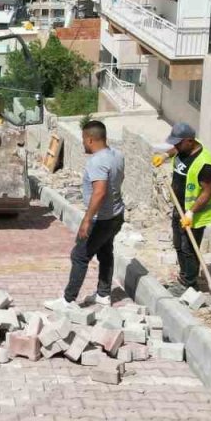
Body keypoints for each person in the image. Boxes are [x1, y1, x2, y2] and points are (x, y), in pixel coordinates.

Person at [152, 122, 211, 296]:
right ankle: (183, 278)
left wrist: (191, 213)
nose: (175, 146)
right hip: (179, 206)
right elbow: (176, 150)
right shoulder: (183, 148)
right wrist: (165, 156)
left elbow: (207, 192)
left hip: (194, 213)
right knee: (178, 244)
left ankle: (190, 284)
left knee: (189, 248)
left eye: (178, 143)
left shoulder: (205, 163)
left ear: (189, 141)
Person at [63, 120, 125, 306]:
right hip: (116, 214)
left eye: (83, 139)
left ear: (90, 139)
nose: (83, 143)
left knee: (79, 256)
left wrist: (87, 220)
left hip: (101, 219)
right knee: (105, 252)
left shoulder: (97, 161)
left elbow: (99, 192)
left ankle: (68, 300)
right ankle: (103, 294)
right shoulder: (117, 155)